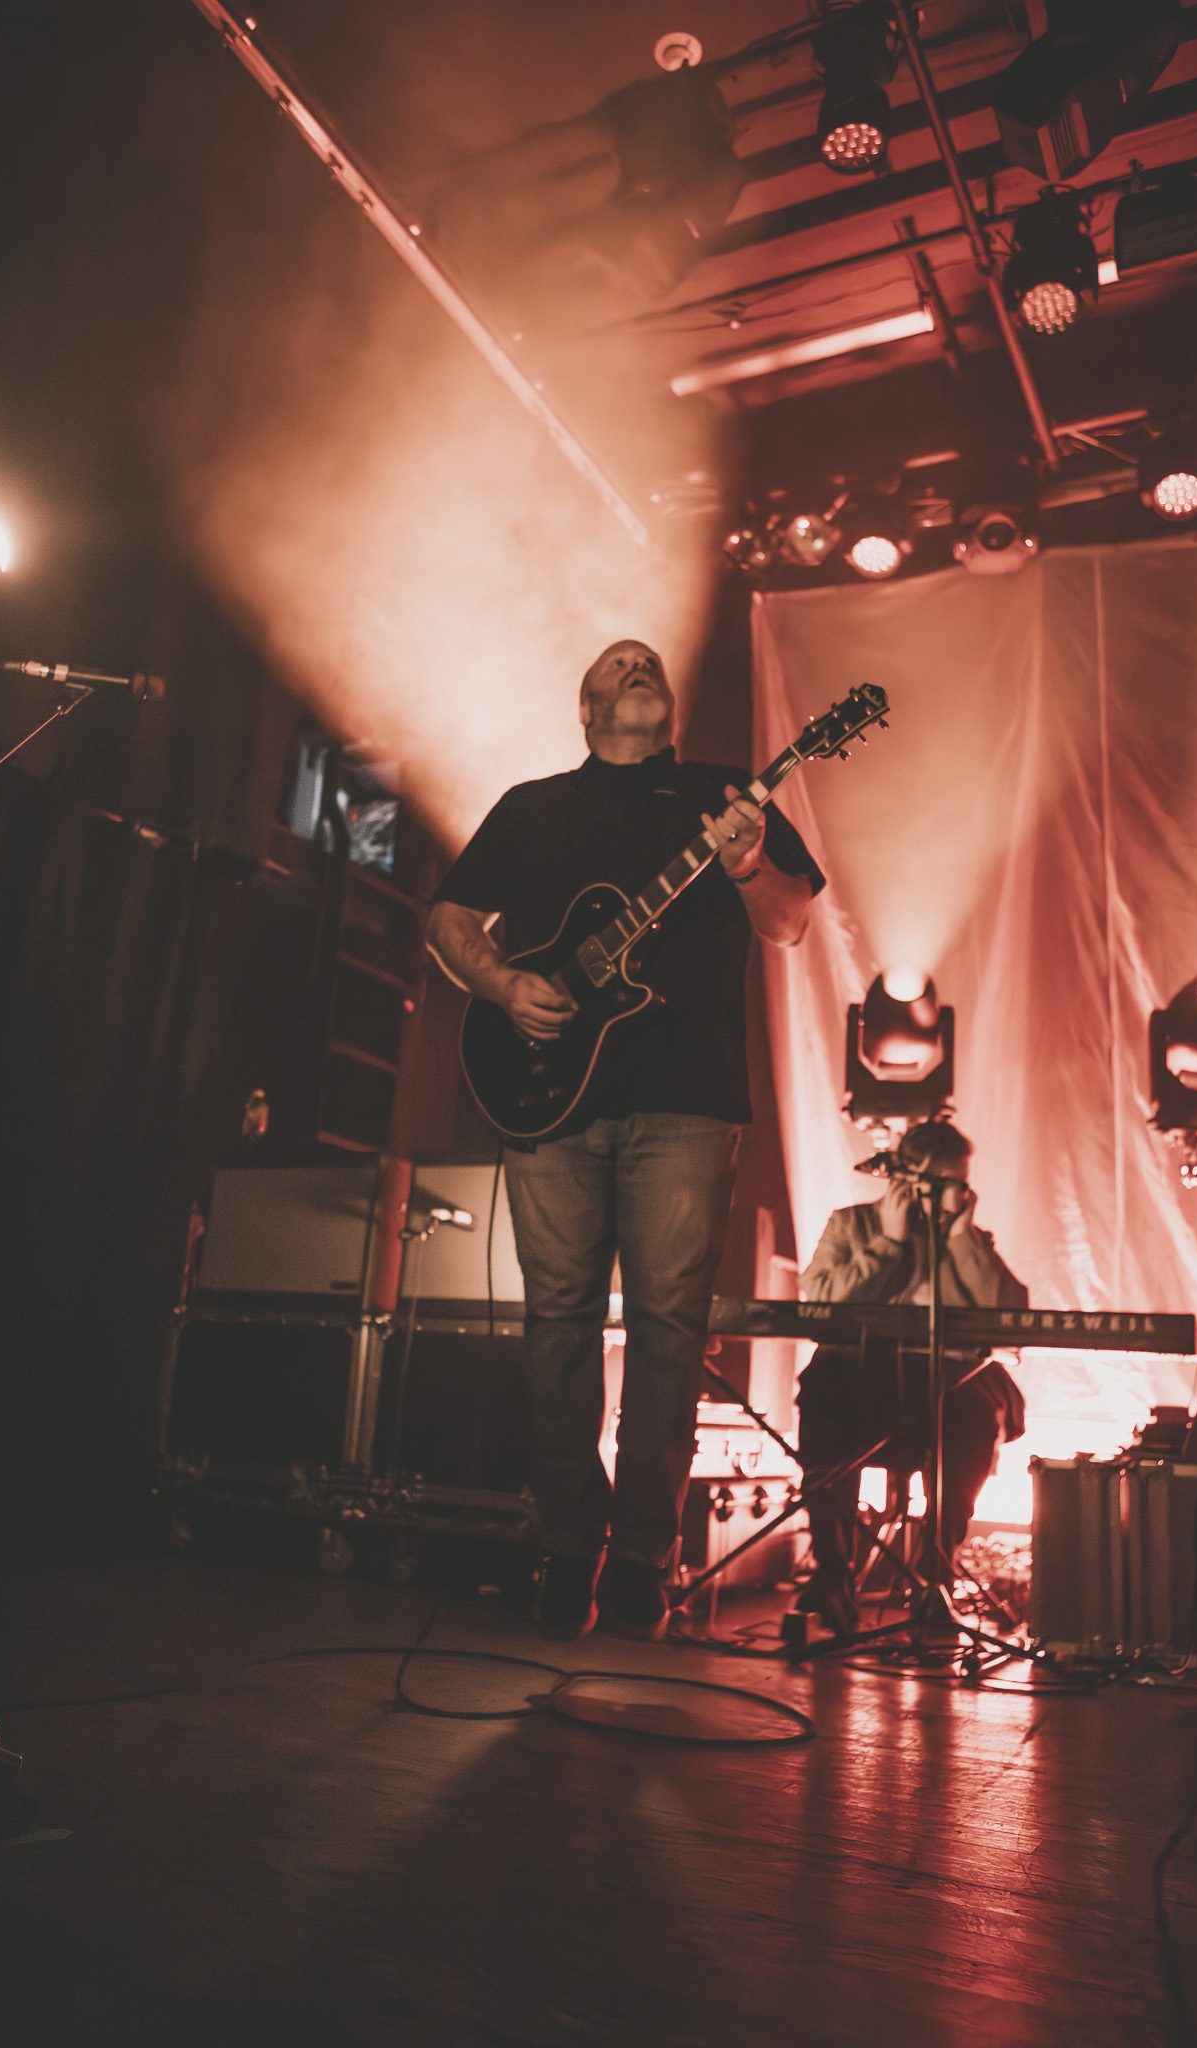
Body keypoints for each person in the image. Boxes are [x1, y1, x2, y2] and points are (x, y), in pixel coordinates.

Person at [427, 639, 824, 1639]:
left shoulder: (726, 793)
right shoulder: (532, 807)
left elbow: (788, 923)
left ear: (671, 704)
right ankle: (568, 1543)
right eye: (621, 662)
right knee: (556, 1320)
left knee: (667, 1332)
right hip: (546, 1101)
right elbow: (448, 920)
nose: (641, 662)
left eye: (652, 662)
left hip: (687, 1095)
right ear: (588, 703)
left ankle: (643, 1559)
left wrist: (744, 858)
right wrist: (502, 982)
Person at [796, 1119, 1027, 1633]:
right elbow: (822, 1301)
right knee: (824, 1396)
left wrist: (962, 1236)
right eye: (943, 1182)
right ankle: (833, 1574)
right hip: (858, 1379)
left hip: (947, 1386)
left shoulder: (969, 1239)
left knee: (971, 1414)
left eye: (960, 1184)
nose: (955, 1194)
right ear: (905, 1180)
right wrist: (889, 1243)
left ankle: (934, 1577)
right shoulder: (851, 1225)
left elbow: (1008, 1312)